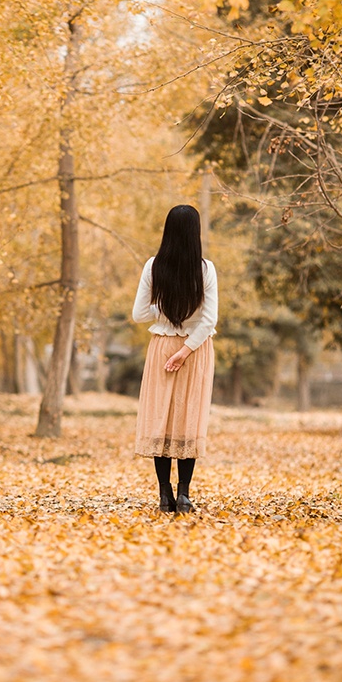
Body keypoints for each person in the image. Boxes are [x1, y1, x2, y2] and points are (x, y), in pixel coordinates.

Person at [132, 204, 218, 513]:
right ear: (195, 233)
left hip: (162, 347)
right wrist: (186, 350)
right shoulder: (206, 269)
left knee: (161, 419)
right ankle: (184, 495)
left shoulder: (153, 266)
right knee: (187, 418)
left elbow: (139, 313)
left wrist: (165, 313)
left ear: (168, 230)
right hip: (195, 352)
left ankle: (164, 495)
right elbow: (209, 320)